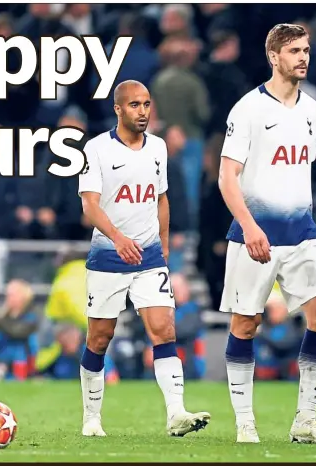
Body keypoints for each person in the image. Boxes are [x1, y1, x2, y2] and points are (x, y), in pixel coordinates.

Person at [217, 24, 316, 445]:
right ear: (274, 56)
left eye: (306, 50)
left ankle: (305, 420)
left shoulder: (314, 110)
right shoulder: (248, 109)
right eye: (293, 51)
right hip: (256, 236)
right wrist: (250, 226)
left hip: (302, 233)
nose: (303, 57)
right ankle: (245, 422)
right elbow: (226, 178)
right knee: (246, 323)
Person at [77, 80, 210, 438]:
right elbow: (89, 204)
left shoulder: (159, 147)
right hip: (108, 257)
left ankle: (176, 413)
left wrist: (163, 246)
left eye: (147, 104)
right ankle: (91, 417)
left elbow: (161, 199)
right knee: (100, 337)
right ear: (118, 109)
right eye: (135, 105)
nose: (143, 111)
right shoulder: (97, 149)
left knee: (164, 329)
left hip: (149, 256)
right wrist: (117, 239)